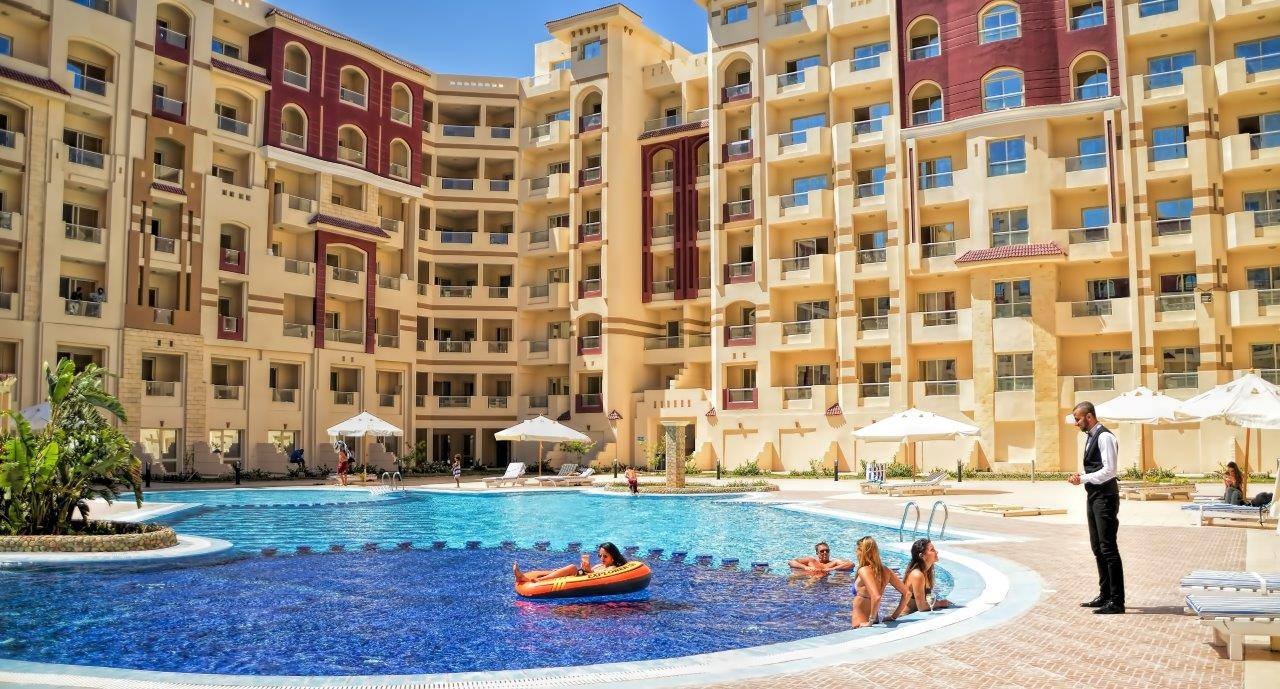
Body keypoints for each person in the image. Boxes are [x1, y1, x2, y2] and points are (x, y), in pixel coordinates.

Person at [1069, 401, 1125, 615]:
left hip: (1105, 498)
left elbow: (1110, 471)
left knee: (1108, 548)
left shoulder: (1105, 437)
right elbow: (1097, 468)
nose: (1076, 423)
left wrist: (1083, 478)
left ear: (1089, 417)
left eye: (1078, 419)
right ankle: (1105, 594)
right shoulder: (1091, 436)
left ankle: (1117, 601)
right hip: (1094, 496)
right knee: (1097, 547)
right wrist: (1082, 477)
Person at [850, 536, 910, 628]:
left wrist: (870, 622)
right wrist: (894, 616)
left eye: (857, 550)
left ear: (862, 551)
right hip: (873, 620)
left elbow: (876, 597)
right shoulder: (886, 570)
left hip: (861, 623)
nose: (856, 553)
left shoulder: (864, 570)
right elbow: (907, 594)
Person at [514, 542, 627, 584]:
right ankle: (526, 577)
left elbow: (600, 578)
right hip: (578, 577)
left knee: (572, 567)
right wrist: (586, 568)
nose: (602, 558)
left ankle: (534, 580)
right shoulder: (600, 565)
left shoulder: (612, 568)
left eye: (605, 556)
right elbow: (588, 573)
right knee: (558, 571)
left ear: (613, 557)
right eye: (600, 555)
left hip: (581, 581)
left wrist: (589, 571)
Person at [902, 538, 952, 613]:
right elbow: (921, 607)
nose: (936, 552)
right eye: (932, 550)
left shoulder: (927, 571)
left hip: (914, 614)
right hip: (906, 615)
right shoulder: (917, 575)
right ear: (922, 556)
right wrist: (940, 603)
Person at [789, 542, 853, 575]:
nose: (825, 553)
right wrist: (805, 567)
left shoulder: (834, 562)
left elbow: (851, 564)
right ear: (817, 553)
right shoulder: (811, 561)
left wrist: (832, 569)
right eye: (822, 551)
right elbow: (791, 562)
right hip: (808, 579)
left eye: (827, 551)